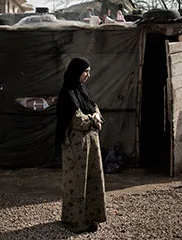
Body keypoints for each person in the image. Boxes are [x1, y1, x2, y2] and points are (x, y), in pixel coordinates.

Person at [55, 57, 107, 233]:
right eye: (85, 72)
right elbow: (78, 121)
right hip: (75, 146)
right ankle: (75, 221)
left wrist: (96, 115)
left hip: (91, 144)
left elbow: (93, 106)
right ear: (76, 72)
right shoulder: (67, 94)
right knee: (77, 182)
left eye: (89, 71)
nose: (88, 75)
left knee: (92, 179)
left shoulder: (81, 90)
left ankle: (91, 217)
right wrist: (94, 119)